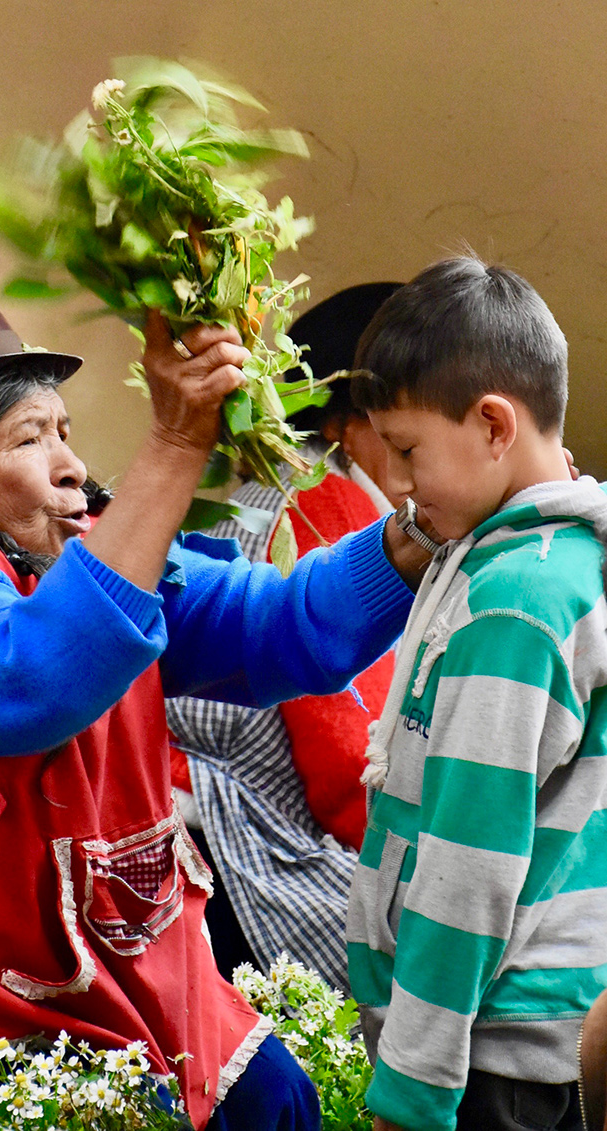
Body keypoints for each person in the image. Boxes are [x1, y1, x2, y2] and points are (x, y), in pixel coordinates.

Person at [0, 265, 432, 1131]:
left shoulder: (79, 555)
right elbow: (22, 681)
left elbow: (282, 626)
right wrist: (173, 447)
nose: (72, 467)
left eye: (65, 432)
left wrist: (423, 527)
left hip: (85, 979)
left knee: (271, 1097)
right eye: (29, 440)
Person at [345, 255, 604, 1131]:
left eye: (408, 450)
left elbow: (469, 861)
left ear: (494, 424)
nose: (399, 483)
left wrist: (410, 1089)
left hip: (491, 1057)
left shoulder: (515, 603)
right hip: (519, 1037)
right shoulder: (532, 564)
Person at [166, 283, 402, 988]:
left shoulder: (226, 498)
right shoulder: (327, 506)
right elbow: (350, 769)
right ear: (343, 422)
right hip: (247, 856)